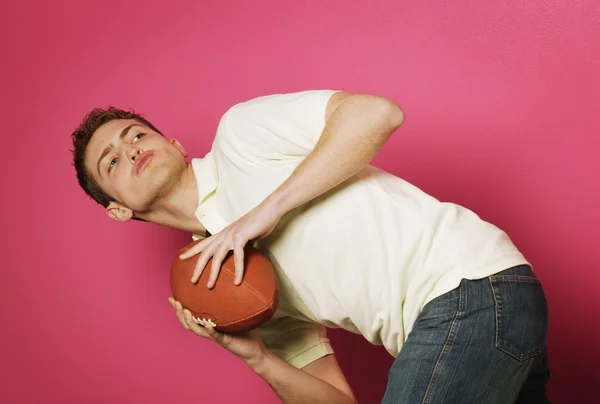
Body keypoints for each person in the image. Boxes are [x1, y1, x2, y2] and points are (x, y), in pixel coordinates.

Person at [71, 89, 551, 403]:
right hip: (467, 325)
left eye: (135, 134)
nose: (129, 149)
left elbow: (378, 114)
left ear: (174, 144)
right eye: (110, 162)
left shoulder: (240, 136)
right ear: (118, 210)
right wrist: (255, 355)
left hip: (466, 287)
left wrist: (264, 212)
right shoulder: (232, 284)